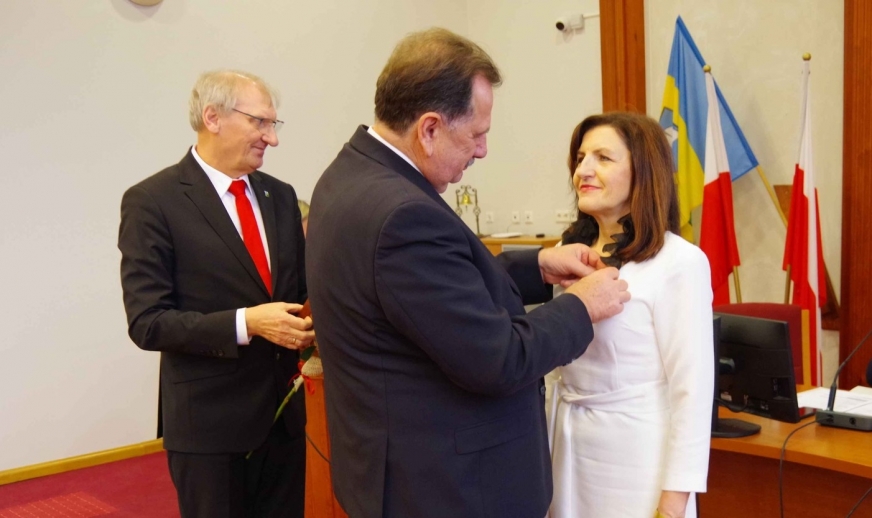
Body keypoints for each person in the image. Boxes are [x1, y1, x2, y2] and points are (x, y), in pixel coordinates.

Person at [305, 28, 630, 518]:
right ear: (430, 128)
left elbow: (430, 294)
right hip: (448, 488)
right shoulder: (401, 213)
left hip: (395, 468)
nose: (481, 151)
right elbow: (498, 359)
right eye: (476, 134)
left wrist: (537, 265)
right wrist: (581, 306)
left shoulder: (349, 176)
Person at [118, 69, 315, 518]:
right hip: (209, 427)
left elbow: (302, 290)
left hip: (285, 422)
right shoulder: (153, 201)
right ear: (213, 117)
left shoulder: (280, 197)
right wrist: (247, 323)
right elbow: (148, 321)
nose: (272, 138)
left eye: (274, 125)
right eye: (260, 123)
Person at [547, 112, 714, 518]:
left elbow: (692, 391)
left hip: (635, 462)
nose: (583, 169)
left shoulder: (680, 262)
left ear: (644, 173)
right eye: (581, 157)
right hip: (565, 447)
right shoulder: (564, 252)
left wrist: (674, 502)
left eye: (603, 158)